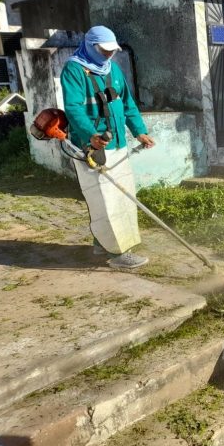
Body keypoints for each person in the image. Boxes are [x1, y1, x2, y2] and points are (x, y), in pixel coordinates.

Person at [61, 26, 155, 269]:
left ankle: (102, 244)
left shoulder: (112, 69)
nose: (108, 55)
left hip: (118, 143)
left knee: (122, 197)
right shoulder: (74, 69)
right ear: (91, 46)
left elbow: (127, 103)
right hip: (93, 147)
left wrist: (139, 131)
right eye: (104, 50)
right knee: (104, 199)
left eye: (112, 51)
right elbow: (73, 108)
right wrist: (90, 135)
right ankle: (118, 253)